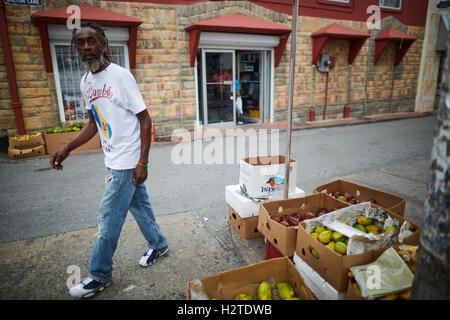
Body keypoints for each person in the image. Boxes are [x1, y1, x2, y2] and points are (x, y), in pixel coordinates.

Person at [50, 21, 168, 298]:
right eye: (80, 42)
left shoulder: (120, 76)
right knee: (138, 205)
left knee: (108, 219)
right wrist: (67, 148)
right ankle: (159, 243)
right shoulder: (86, 81)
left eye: (92, 41)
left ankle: (99, 274)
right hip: (112, 157)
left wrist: (143, 162)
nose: (87, 47)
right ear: (76, 48)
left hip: (126, 160)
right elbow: (93, 123)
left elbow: (145, 120)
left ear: (103, 44)